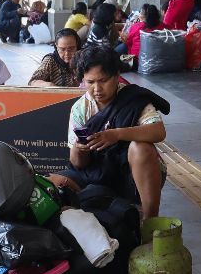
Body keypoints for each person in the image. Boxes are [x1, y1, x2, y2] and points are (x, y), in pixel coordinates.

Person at [51, 47, 169, 219]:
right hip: (97, 171)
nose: (97, 89)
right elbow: (77, 164)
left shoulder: (132, 99)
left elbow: (158, 131)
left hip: (131, 173)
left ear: (116, 76)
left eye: (103, 81)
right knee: (51, 184)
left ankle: (150, 219)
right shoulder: (80, 109)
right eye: (90, 82)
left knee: (141, 148)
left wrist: (117, 134)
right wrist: (79, 149)